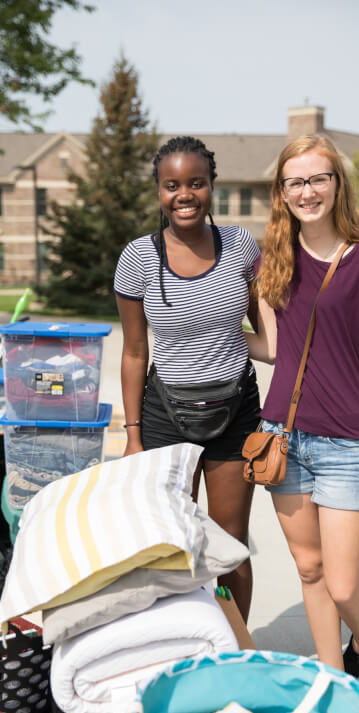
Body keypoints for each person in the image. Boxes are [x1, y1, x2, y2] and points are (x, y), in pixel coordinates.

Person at [254, 133, 359, 675]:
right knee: (309, 570)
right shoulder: (273, 259)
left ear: (337, 184)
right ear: (282, 192)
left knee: (341, 583)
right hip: (282, 438)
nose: (307, 191)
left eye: (319, 178)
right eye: (296, 181)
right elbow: (271, 346)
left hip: (346, 441)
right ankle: (332, 675)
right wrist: (201, 330)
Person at [114, 136, 274, 622]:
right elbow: (135, 351)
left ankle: (235, 648)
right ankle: (179, 648)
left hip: (235, 413)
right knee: (172, 546)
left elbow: (267, 332)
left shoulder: (242, 247)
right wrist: (133, 436)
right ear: (159, 192)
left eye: (195, 183)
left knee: (231, 544)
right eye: (172, 185)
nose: (184, 194)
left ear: (211, 187)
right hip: (166, 419)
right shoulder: (138, 258)